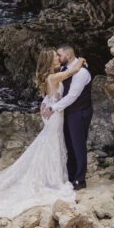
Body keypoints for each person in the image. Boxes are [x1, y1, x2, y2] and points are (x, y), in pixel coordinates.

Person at [0, 48, 88, 226]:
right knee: (52, 143)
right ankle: (53, 179)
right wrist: (81, 60)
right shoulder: (53, 77)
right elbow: (73, 72)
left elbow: (51, 94)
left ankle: (57, 175)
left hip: (53, 112)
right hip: (55, 115)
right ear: (49, 62)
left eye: (58, 56)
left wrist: (45, 104)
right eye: (55, 58)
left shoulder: (52, 75)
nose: (58, 59)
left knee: (53, 142)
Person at [42, 43, 93, 189]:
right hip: (66, 113)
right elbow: (56, 91)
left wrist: (52, 108)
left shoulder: (81, 73)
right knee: (69, 145)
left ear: (68, 55)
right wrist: (46, 102)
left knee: (78, 145)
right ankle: (70, 175)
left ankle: (80, 179)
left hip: (79, 112)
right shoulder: (64, 69)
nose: (57, 58)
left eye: (59, 55)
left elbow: (72, 96)